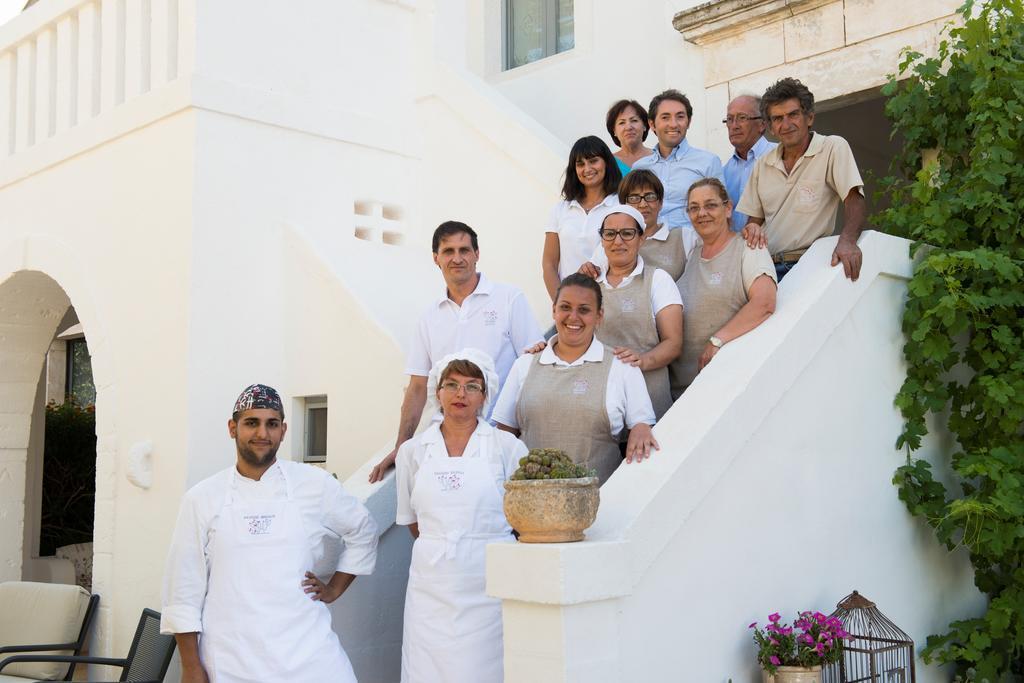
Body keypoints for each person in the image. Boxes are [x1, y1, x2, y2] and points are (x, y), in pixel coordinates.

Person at [161, 384, 377, 683]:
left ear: (283, 430)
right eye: (252, 422)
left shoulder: (314, 484)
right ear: (232, 428)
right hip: (231, 659)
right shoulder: (202, 498)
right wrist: (191, 667)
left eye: (271, 424)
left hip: (309, 655)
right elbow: (183, 589)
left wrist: (334, 588)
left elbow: (363, 529)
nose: (262, 433)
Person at [369, 221, 543, 483]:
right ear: (436, 258)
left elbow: (532, 368)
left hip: (501, 439)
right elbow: (417, 386)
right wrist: (401, 446)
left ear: (477, 254)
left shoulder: (509, 298)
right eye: (448, 251)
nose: (457, 258)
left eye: (464, 250)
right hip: (445, 444)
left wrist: (515, 429)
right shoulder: (428, 317)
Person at [396, 349, 524, 683]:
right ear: (437, 392)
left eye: (471, 386)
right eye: (451, 385)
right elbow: (411, 520)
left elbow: (525, 519)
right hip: (431, 585)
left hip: (489, 582)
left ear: (485, 395)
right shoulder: (413, 451)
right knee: (427, 667)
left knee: (487, 668)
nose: (460, 394)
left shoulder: (506, 447)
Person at [493, 273, 659, 484]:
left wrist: (641, 427)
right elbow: (504, 435)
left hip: (597, 502)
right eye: (565, 307)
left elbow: (642, 428)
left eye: (584, 310)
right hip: (530, 503)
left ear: (599, 316)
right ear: (554, 310)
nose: (573, 317)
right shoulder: (525, 364)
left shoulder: (622, 367)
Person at [737, 77, 867, 281]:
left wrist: (848, 241)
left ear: (810, 118)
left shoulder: (832, 147)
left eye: (793, 115)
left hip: (809, 264)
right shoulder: (763, 164)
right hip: (766, 268)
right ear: (770, 127)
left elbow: (854, 199)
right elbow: (754, 222)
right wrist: (751, 230)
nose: (786, 124)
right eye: (778, 118)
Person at [672, 179, 777, 397]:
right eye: (694, 208)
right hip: (680, 391)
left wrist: (718, 340)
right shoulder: (691, 255)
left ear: (728, 209)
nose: (702, 213)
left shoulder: (749, 246)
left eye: (710, 205)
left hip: (722, 387)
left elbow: (765, 302)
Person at [591, 204, 683, 419]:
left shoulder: (658, 280)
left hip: (649, 399)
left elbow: (673, 343)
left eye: (627, 233)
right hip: (602, 407)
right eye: (610, 234)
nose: (618, 241)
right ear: (602, 240)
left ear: (641, 239)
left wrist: (641, 360)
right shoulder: (589, 285)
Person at [633, 89, 725, 253]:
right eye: (665, 117)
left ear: (688, 122)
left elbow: (721, 213)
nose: (674, 124)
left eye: (680, 117)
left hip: (693, 249)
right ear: (652, 124)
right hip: (647, 249)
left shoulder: (708, 162)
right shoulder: (640, 168)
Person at [541, 136, 623, 302]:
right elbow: (549, 263)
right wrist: (561, 302)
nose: (587, 168)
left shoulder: (620, 205)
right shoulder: (560, 209)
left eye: (593, 161)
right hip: (571, 302)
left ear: (606, 162)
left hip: (610, 300)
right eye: (580, 164)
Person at [583, 170, 687, 282]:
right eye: (634, 198)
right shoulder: (612, 242)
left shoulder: (683, 237)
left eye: (650, 196)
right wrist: (587, 270)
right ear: (623, 205)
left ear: (660, 202)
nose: (643, 204)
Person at [722, 95, 777, 231]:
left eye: (742, 118)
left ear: (762, 124)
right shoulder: (724, 171)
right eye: (730, 119)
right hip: (737, 249)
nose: (734, 126)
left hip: (776, 247)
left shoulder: (780, 156)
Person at [606, 99, 652, 176]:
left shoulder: (658, 158)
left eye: (634, 120)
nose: (628, 127)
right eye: (622, 123)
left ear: (645, 126)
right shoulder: (608, 163)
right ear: (614, 131)